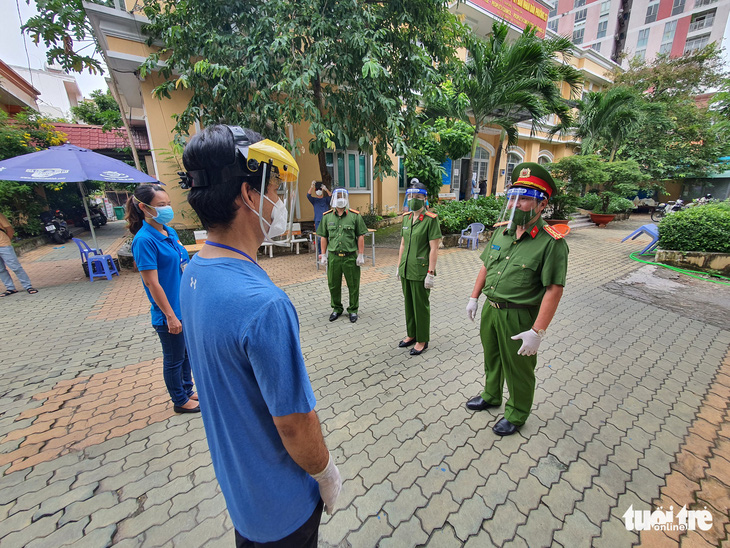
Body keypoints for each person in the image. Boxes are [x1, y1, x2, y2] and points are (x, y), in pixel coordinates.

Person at [178, 125, 341, 546]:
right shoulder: (264, 304)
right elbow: (293, 423)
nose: (279, 203)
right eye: (274, 190)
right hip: (283, 509)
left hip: (243, 496)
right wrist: (325, 472)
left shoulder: (192, 272)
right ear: (249, 195)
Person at [465, 162, 568, 436]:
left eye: (524, 199)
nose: (516, 204)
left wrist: (538, 332)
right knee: (493, 357)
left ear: (541, 204)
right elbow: (486, 266)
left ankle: (518, 412)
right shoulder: (503, 230)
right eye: (513, 197)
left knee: (519, 367)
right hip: (491, 309)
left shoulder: (551, 242)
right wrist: (474, 297)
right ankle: (491, 395)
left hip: (520, 314)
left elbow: (554, 289)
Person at [126, 184, 199, 414]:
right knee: (174, 358)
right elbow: (152, 283)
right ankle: (179, 400)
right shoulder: (144, 240)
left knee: (186, 354)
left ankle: (187, 390)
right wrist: (170, 315)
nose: (167, 209)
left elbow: (181, 266)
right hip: (167, 313)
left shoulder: (169, 232)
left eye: (168, 204)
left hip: (183, 305)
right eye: (160, 205)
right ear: (143, 208)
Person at [396, 180, 442, 356]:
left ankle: (422, 339)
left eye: (417, 196)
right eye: (411, 196)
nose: (413, 199)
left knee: (420, 306)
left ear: (424, 198)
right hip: (406, 269)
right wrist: (399, 266)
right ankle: (411, 334)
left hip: (421, 270)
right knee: (409, 303)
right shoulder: (406, 218)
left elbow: (434, 248)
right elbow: (402, 244)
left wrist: (431, 273)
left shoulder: (431, 220)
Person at [316, 188, 368, 323]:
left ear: (347, 198)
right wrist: (323, 255)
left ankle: (353, 309)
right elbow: (323, 237)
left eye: (343, 196)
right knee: (333, 284)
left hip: (350, 257)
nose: (340, 199)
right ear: (333, 198)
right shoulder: (327, 216)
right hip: (334, 257)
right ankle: (337, 308)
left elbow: (360, 236)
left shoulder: (354, 216)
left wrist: (360, 254)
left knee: (353, 284)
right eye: (338, 196)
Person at [0, 212, 37, 297]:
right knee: (1, 270)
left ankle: (28, 286)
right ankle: (10, 288)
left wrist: (6, 240)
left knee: (15, 267)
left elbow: (10, 230)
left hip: (4, 245)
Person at [307, 180, 331, 256]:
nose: (319, 191)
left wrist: (326, 189)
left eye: (320, 190)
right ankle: (320, 253)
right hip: (318, 221)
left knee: (328, 236)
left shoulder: (326, 200)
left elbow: (331, 196)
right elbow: (308, 195)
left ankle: (328, 252)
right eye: (317, 190)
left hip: (327, 220)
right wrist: (312, 186)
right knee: (319, 238)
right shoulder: (314, 200)